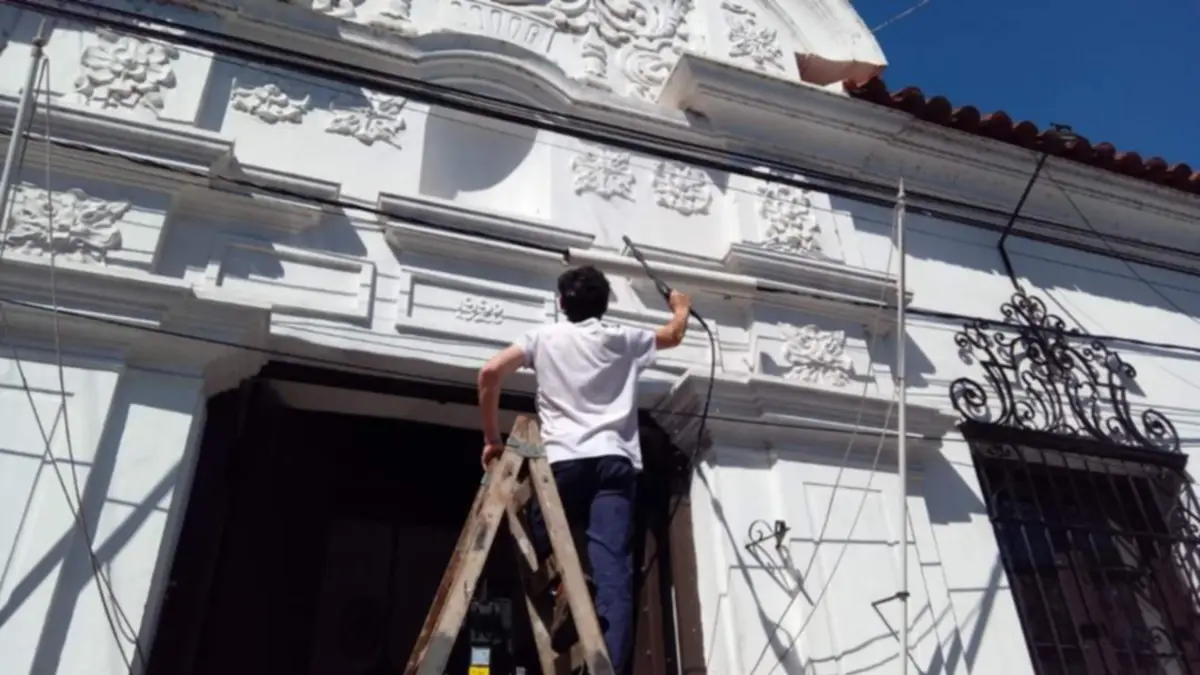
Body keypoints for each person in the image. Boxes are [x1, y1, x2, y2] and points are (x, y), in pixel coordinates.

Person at [476, 264, 691, 673]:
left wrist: (492, 439)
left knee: (537, 531)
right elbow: (674, 334)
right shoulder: (623, 338)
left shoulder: (543, 337)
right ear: (604, 305)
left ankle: (563, 585)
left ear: (561, 303)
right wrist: (680, 307)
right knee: (615, 573)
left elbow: (489, 372)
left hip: (563, 463)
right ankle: (608, 665)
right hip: (615, 463)